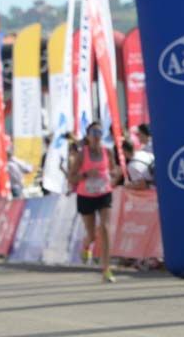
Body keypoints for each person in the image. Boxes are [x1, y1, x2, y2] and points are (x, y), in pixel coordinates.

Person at [68, 120, 118, 283]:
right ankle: (86, 245)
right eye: (94, 133)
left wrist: (112, 176)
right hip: (86, 196)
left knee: (105, 228)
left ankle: (106, 269)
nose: (97, 136)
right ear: (88, 136)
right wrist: (86, 174)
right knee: (92, 235)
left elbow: (115, 170)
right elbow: (71, 177)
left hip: (104, 193)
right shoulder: (82, 154)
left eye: (99, 133)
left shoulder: (107, 152)